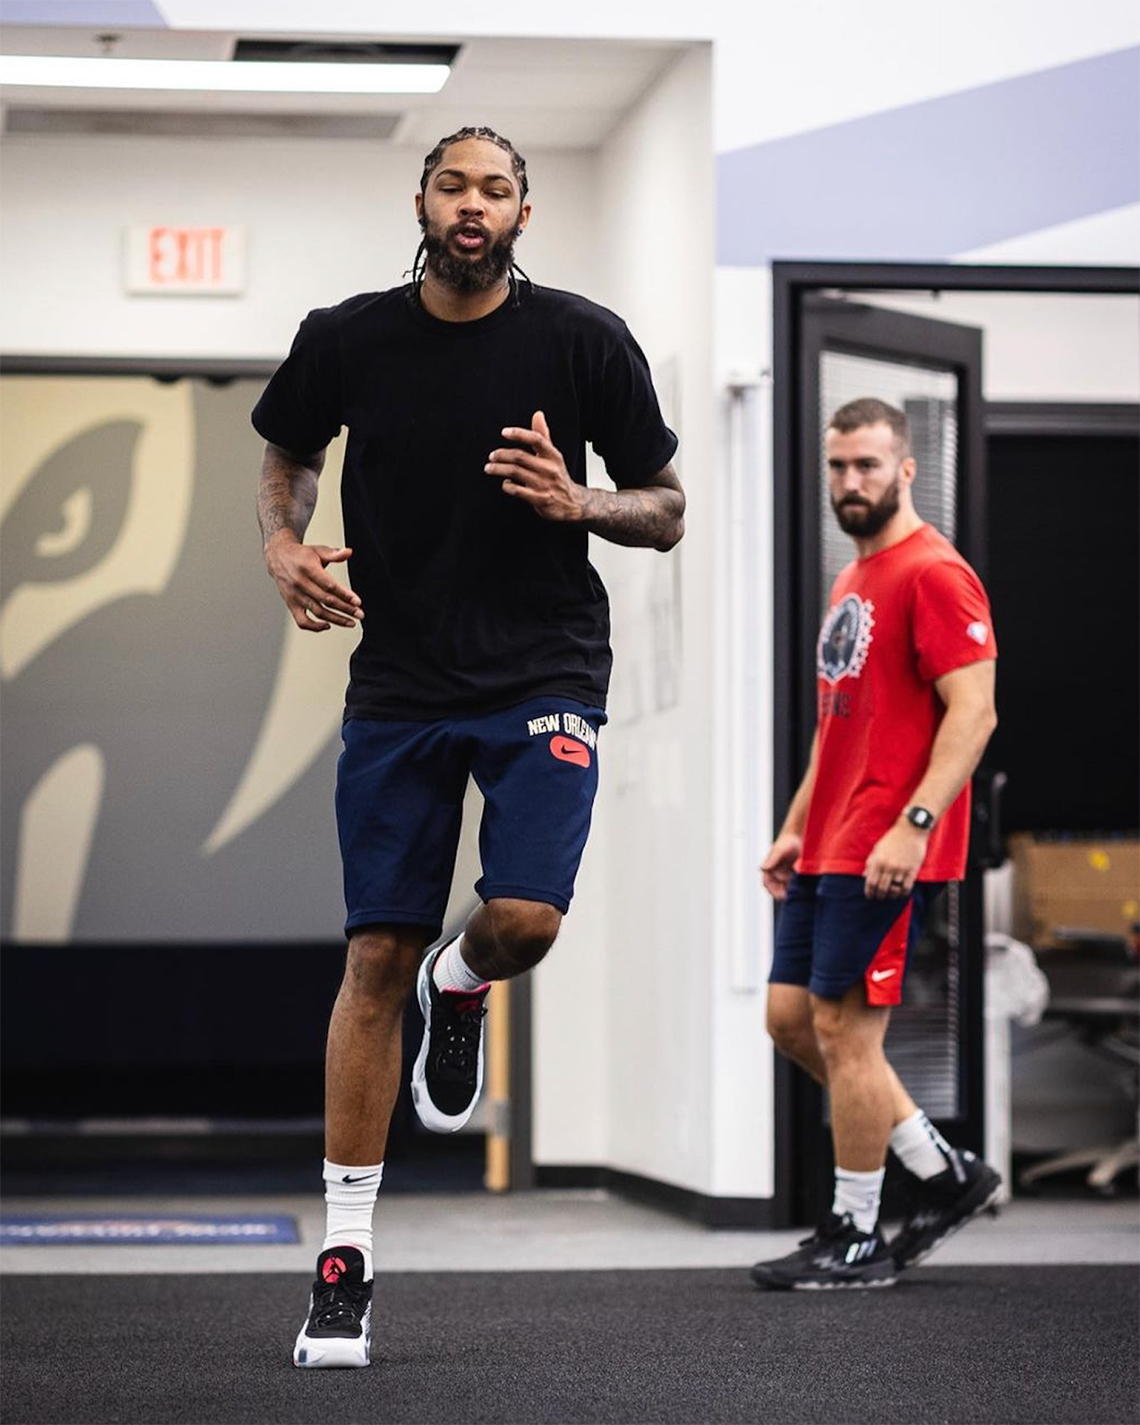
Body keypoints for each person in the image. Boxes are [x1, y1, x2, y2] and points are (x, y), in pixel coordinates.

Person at [251, 126, 684, 1366]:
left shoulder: (584, 340)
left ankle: (469, 976)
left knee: (529, 920)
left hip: (544, 666)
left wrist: (581, 502)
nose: (474, 204)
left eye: (497, 187)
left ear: (524, 213)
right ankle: (344, 1264)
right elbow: (288, 450)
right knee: (374, 955)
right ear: (426, 202)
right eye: (455, 184)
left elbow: (665, 507)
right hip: (398, 676)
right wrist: (282, 544)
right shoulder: (347, 336)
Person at [751, 397, 1000, 1291]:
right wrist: (792, 827)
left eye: (866, 464)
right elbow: (837, 728)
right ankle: (943, 1170)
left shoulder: (936, 573)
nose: (849, 481)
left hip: (891, 846)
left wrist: (916, 822)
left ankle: (856, 1232)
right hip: (831, 839)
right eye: (837, 465)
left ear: (906, 469)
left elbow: (975, 714)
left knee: (846, 1034)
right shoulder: (852, 581)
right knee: (790, 1020)